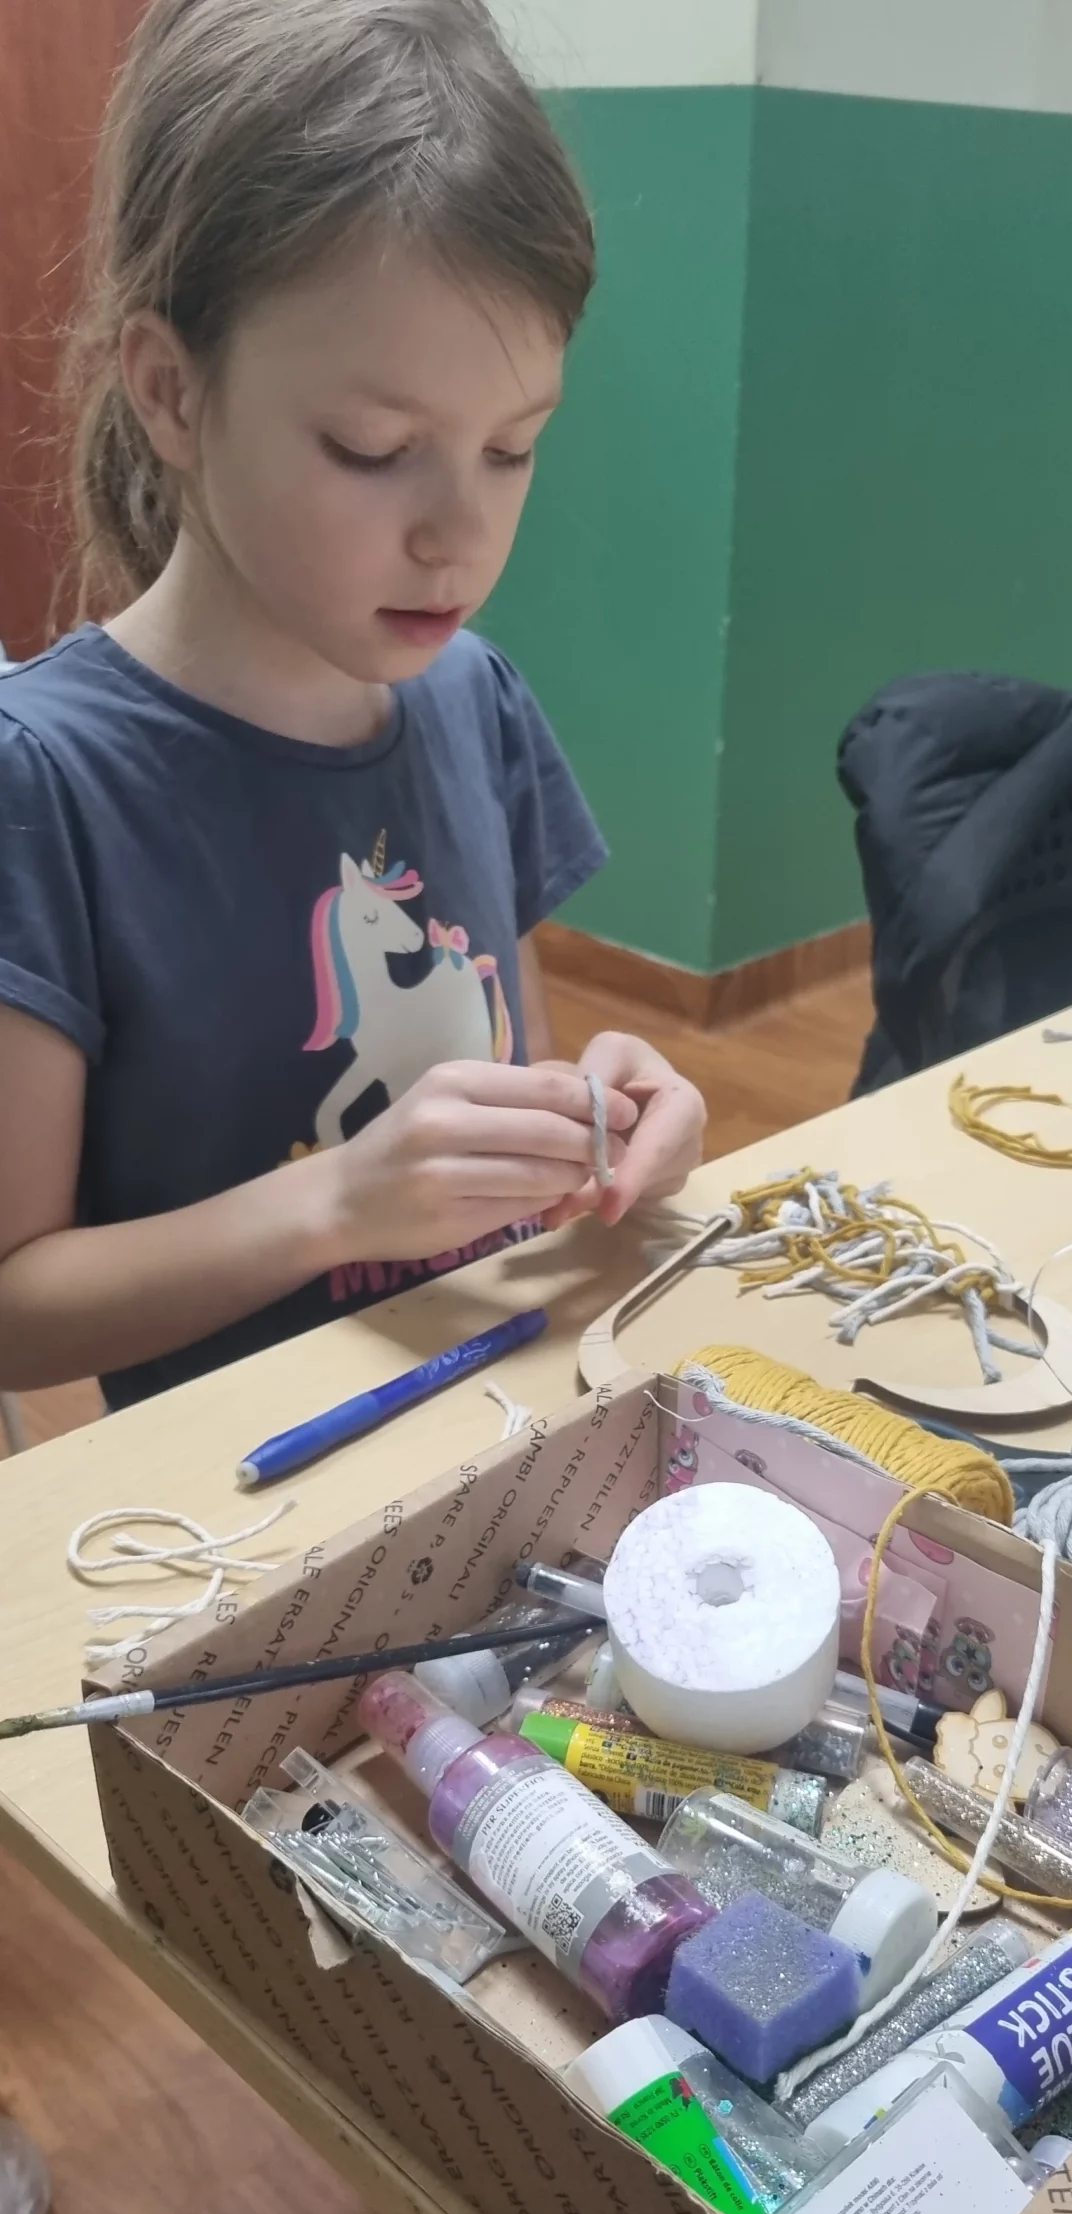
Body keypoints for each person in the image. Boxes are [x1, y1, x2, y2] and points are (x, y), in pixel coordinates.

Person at [0, 0, 705, 1409]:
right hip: (230, 1502)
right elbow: (15, 1311)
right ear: (171, 391)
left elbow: (504, 1083)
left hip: (491, 1425)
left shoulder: (475, 700)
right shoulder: (46, 786)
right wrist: (334, 1202)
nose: (460, 536)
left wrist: (594, 1122)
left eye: (513, 448)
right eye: (374, 449)